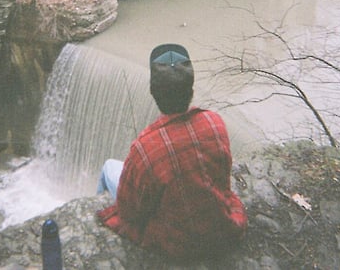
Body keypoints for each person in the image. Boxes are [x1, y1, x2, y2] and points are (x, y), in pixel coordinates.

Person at [96, 43, 247, 260]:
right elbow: (222, 182)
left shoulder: (145, 148)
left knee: (109, 167)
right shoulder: (215, 124)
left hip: (176, 243)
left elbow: (130, 212)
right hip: (220, 230)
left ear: (152, 92)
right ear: (191, 91)